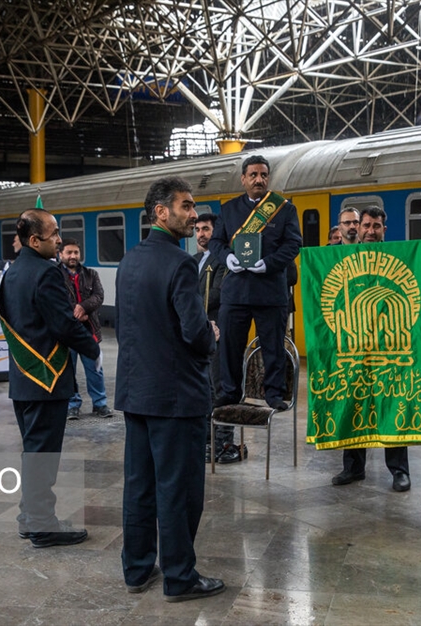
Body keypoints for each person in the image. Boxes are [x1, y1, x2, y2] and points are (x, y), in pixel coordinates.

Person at [115, 176, 224, 602]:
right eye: (186, 206)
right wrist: (211, 335)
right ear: (162, 211)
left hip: (136, 391)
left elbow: (127, 326)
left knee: (139, 486)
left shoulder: (129, 261)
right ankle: (180, 577)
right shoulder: (179, 263)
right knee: (178, 490)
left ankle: (137, 569)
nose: (193, 214)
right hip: (176, 396)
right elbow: (195, 332)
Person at [0, 209, 100, 548]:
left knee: (33, 451)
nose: (59, 240)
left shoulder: (11, 273)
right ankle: (42, 525)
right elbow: (63, 324)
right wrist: (92, 348)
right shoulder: (46, 273)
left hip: (23, 377)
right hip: (47, 378)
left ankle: (29, 516)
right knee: (44, 454)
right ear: (34, 240)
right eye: (54, 234)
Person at [208, 155, 302, 412]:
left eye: (263, 175)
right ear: (243, 179)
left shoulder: (284, 209)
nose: (258, 179)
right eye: (253, 175)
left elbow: (294, 244)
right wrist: (227, 258)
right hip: (236, 292)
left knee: (272, 346)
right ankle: (229, 392)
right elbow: (216, 242)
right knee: (229, 346)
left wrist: (269, 263)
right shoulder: (228, 209)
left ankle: (273, 393)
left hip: (270, 290)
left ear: (268, 178)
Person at [331, 206, 410, 492]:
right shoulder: (344, 259)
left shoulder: (397, 258)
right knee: (353, 404)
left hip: (389, 347)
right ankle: (353, 468)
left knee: (390, 406)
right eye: (366, 225)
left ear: (383, 230)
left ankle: (399, 471)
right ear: (358, 228)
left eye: (376, 226)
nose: (370, 230)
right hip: (352, 346)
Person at [194, 213, 240, 464]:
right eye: (198, 229)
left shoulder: (224, 260)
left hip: (220, 331)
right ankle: (208, 439)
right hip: (201, 333)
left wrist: (190, 309)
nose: (201, 234)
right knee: (205, 388)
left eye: (207, 229)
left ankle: (226, 442)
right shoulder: (194, 260)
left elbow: (219, 293)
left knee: (222, 387)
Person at [58, 239, 113, 420]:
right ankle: (72, 405)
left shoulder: (91, 274)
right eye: (69, 253)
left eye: (75, 252)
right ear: (61, 255)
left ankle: (100, 404)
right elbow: (55, 299)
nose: (73, 256)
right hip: (68, 331)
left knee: (95, 369)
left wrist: (83, 307)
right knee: (69, 371)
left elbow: (99, 296)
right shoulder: (55, 275)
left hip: (89, 331)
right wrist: (75, 313)